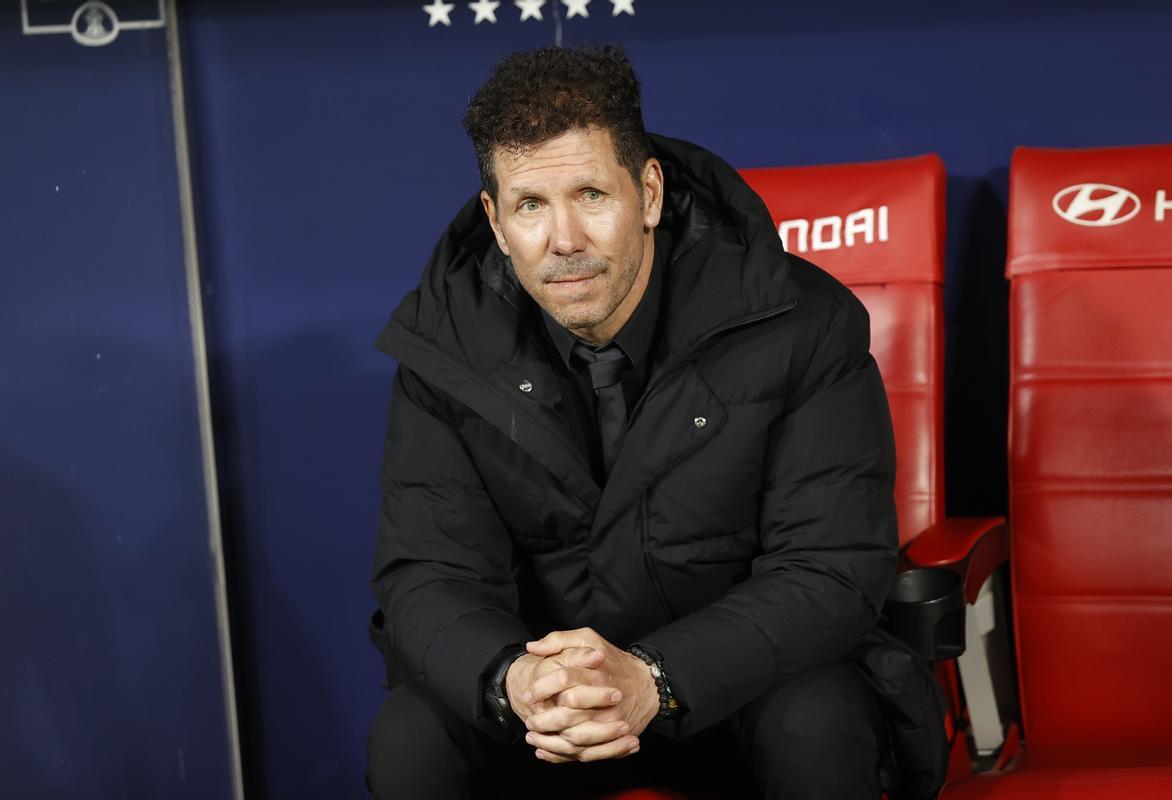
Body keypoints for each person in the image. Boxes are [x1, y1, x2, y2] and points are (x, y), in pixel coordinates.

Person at [367, 44, 902, 799]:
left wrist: (656, 677)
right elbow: (428, 574)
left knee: (815, 721)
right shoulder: (442, 348)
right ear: (495, 220)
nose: (564, 241)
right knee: (413, 735)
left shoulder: (800, 323)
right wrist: (515, 680)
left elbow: (832, 566)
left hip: (736, 693)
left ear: (648, 193)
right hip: (547, 716)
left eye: (590, 194)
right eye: (529, 206)